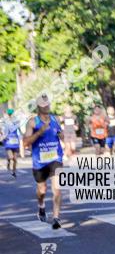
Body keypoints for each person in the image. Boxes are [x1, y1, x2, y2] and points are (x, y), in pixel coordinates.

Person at [22, 94, 65, 229]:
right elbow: (25, 143)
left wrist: (61, 135)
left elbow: (62, 135)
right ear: (38, 106)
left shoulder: (55, 119)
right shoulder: (32, 122)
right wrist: (39, 131)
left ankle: (56, 217)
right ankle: (41, 206)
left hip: (55, 158)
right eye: (43, 104)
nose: (46, 106)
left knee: (57, 189)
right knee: (42, 190)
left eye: (47, 104)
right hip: (40, 162)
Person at [2, 108, 21, 177]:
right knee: (11, 157)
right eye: (9, 114)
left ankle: (14, 171)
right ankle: (8, 161)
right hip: (8, 142)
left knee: (15, 159)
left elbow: (20, 130)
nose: (10, 116)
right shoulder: (4, 121)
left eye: (11, 114)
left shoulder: (16, 121)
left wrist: (21, 137)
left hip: (15, 143)